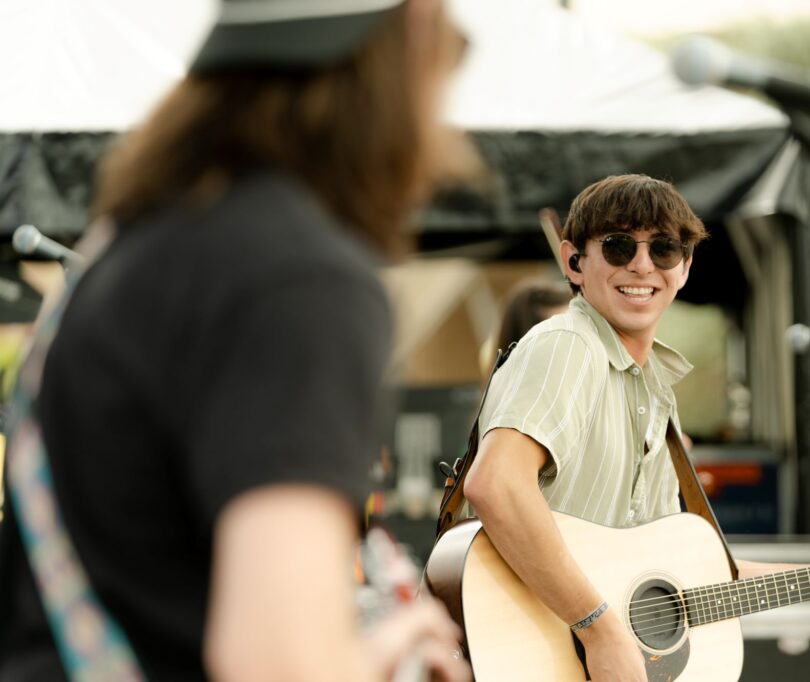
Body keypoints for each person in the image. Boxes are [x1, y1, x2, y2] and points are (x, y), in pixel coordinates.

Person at [0, 1, 471, 681]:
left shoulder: (138, 244)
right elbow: (279, 665)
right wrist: (383, 654)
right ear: (412, 32)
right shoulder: (299, 277)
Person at [463, 173, 810, 682]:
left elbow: (680, 573)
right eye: (617, 245)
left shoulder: (655, 391)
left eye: (664, 249)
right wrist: (599, 628)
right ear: (573, 261)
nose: (641, 264)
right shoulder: (570, 344)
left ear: (685, 267)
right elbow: (495, 483)